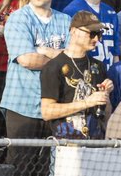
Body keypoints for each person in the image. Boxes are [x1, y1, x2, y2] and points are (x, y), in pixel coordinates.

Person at [0, 0, 70, 176]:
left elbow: (76, 56)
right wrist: (59, 58)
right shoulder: (18, 19)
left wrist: (44, 52)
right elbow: (27, 59)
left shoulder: (65, 20)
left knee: (46, 170)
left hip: (54, 105)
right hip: (23, 102)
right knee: (21, 166)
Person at [40, 10, 112, 140]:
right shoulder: (54, 67)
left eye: (99, 34)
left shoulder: (99, 66)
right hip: (65, 144)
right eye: (92, 33)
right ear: (74, 31)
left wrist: (105, 95)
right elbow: (47, 112)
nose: (96, 39)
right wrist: (86, 103)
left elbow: (106, 112)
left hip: (96, 143)